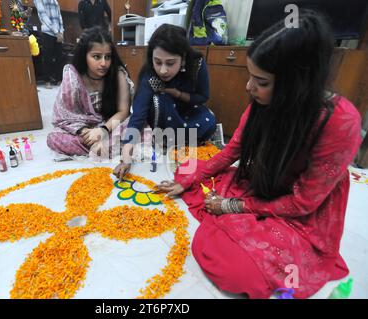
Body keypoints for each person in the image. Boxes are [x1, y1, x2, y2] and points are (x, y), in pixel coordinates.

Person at [154, 10, 362, 298]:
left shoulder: (340, 122)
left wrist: (231, 206)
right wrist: (192, 180)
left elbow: (302, 202)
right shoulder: (262, 103)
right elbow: (232, 150)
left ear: (297, 84)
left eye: (261, 82)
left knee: (233, 266)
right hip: (262, 183)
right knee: (189, 170)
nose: (249, 87)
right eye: (251, 77)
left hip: (301, 213)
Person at [113, 24, 217, 180]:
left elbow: (202, 97)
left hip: (188, 110)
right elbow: (139, 114)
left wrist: (178, 94)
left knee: (209, 121)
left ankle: (179, 139)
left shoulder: (196, 63)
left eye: (170, 63)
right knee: (158, 99)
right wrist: (126, 155)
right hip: (164, 115)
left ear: (183, 58)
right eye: (157, 62)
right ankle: (169, 138)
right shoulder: (150, 74)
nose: (162, 70)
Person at [47, 26, 134, 158]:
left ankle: (102, 147)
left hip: (110, 124)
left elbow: (123, 111)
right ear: (84, 56)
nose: (104, 63)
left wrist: (103, 131)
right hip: (83, 127)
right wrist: (86, 133)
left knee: (138, 128)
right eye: (96, 57)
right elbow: (65, 116)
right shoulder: (73, 76)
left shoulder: (118, 74)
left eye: (108, 57)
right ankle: (104, 147)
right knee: (54, 138)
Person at [34, 0, 64, 88]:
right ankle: (47, 80)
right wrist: (56, 31)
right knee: (47, 57)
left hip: (59, 32)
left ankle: (58, 79)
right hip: (48, 32)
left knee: (59, 57)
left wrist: (61, 31)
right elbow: (43, 17)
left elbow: (59, 16)